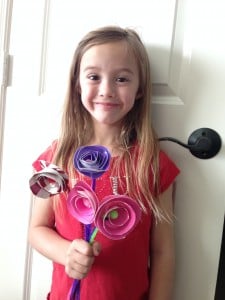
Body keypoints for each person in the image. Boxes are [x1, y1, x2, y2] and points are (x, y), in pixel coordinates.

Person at [28, 25, 180, 300]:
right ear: (77, 84)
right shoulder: (57, 158)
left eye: (122, 79)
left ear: (140, 89)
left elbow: (163, 251)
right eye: (94, 76)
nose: (106, 90)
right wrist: (66, 253)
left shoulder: (153, 163)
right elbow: (36, 230)